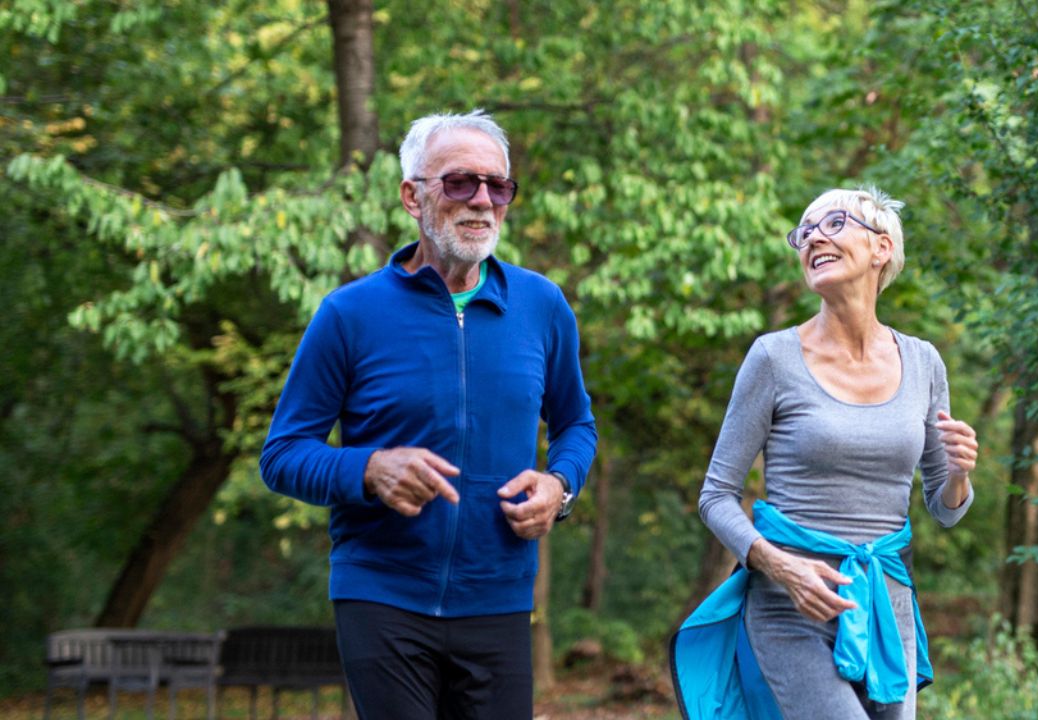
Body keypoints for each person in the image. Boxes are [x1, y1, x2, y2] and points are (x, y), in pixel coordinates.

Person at [259, 109, 597, 719]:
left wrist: (560, 484)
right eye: (460, 183)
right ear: (413, 196)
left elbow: (576, 424)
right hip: (381, 596)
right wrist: (367, 470)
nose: (483, 201)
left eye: (498, 186)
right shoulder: (349, 314)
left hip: (498, 597)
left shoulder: (542, 306)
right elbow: (282, 454)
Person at [671, 187, 978, 720]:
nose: (812, 236)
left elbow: (945, 509)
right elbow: (715, 496)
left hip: (888, 606)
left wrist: (958, 474)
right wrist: (782, 567)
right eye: (804, 230)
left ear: (881, 248)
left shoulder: (925, 363)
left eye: (833, 222)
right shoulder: (773, 357)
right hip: (791, 607)